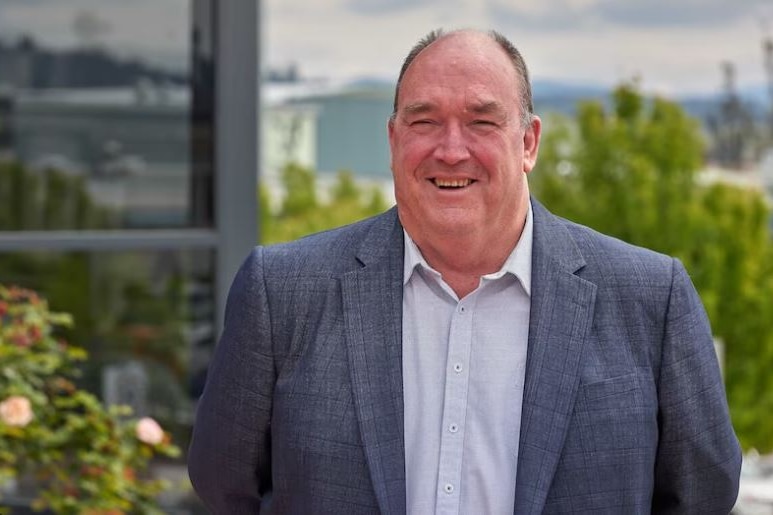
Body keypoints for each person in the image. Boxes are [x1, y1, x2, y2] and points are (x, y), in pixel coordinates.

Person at [188, 28, 742, 514]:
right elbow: (225, 485)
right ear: (393, 139)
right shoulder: (281, 292)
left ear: (528, 142)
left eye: (481, 122)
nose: (451, 150)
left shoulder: (650, 298)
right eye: (424, 120)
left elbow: (702, 495)